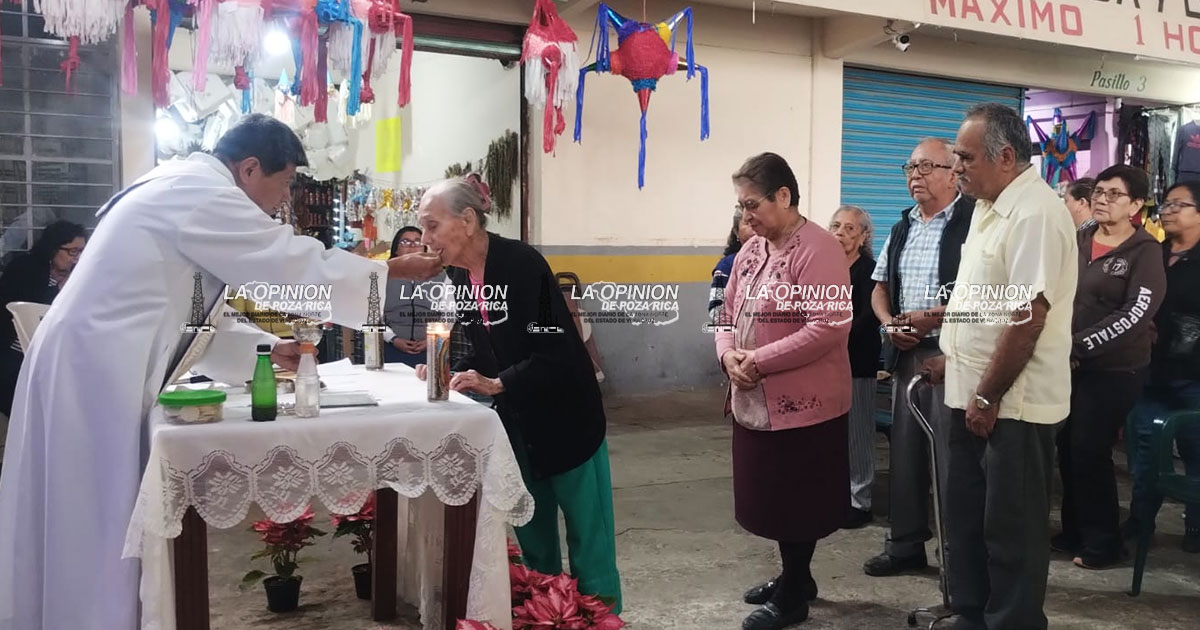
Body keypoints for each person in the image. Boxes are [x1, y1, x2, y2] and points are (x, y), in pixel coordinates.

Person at [0, 114, 444, 630]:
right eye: (281, 188)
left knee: (89, 520)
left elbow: (183, 312)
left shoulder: (182, 183)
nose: (280, 206)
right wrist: (387, 273)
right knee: (91, 525)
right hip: (91, 373)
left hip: (95, 362)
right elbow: (288, 266)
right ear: (250, 167)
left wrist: (260, 349)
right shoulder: (200, 193)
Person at [412, 174, 622, 611]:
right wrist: (449, 370)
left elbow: (558, 348)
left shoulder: (523, 264)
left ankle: (602, 619)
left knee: (590, 540)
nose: (424, 239)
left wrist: (500, 382)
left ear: (468, 220)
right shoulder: (459, 275)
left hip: (569, 420)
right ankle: (547, 616)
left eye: (432, 226)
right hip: (518, 423)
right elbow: (489, 352)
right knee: (534, 536)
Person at [927, 103, 1077, 630]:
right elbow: (986, 300)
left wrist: (988, 395)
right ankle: (972, 613)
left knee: (1011, 530)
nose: (955, 168)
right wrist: (949, 347)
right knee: (967, 519)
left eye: (964, 158)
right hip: (969, 393)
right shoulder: (989, 206)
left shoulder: (1034, 213)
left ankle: (1011, 622)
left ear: (1006, 156)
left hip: (1011, 405)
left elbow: (1026, 319)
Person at [716, 153, 851, 630]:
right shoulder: (752, 251)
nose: (744, 216)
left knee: (797, 502)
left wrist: (760, 361)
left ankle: (794, 592)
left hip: (804, 405)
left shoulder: (818, 248)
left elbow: (830, 325)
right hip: (752, 397)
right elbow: (726, 313)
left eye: (752, 204)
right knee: (770, 497)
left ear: (785, 197)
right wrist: (728, 354)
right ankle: (795, 576)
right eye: (741, 206)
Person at [864, 138, 976, 577]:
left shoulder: (973, 223)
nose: (916, 175)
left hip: (955, 356)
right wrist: (890, 324)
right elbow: (878, 288)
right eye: (910, 166)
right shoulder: (903, 226)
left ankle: (957, 558)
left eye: (927, 166)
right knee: (907, 455)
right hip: (906, 356)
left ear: (954, 173)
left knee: (951, 459)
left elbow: (984, 297)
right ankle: (905, 545)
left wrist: (932, 319)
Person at [1054, 165, 1165, 569]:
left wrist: (1080, 345)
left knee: (1089, 448)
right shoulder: (1080, 238)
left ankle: (1103, 543)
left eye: (1114, 194)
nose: (1102, 199)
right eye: (1099, 192)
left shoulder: (1145, 251)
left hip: (1116, 369)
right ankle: (1074, 532)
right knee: (1066, 448)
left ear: (1136, 204)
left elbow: (1136, 312)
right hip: (1068, 363)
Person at [1124, 179, 1200, 554]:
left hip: (1194, 376)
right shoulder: (1152, 253)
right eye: (1165, 205)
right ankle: (1140, 522)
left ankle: (1196, 527)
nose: (1167, 212)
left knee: (1195, 453)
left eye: (1178, 205)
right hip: (1151, 370)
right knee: (1145, 452)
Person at [828, 205, 881, 529]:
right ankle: (834, 494)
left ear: (863, 237)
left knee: (858, 434)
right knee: (832, 434)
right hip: (824, 364)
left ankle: (859, 501)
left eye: (850, 229)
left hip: (857, 360)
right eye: (836, 226)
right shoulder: (823, 268)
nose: (841, 234)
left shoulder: (869, 270)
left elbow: (867, 316)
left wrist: (835, 338)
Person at [0, 221, 87, 417]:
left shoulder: (76, 275)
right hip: (13, 355)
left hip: (50, 357)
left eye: (81, 251)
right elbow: (33, 311)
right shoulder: (27, 268)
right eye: (72, 252)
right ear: (53, 248)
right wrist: (59, 289)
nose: (77, 258)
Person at [383, 226, 448, 367]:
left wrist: (432, 339)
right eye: (405, 242)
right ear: (395, 249)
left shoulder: (441, 276)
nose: (412, 246)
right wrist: (393, 338)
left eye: (418, 242)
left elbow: (450, 312)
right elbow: (373, 317)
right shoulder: (383, 277)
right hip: (391, 346)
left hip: (431, 347)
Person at [709, 209, 756, 323]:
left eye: (759, 224)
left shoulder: (779, 262)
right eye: (748, 223)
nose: (754, 229)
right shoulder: (727, 265)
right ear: (736, 231)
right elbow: (715, 310)